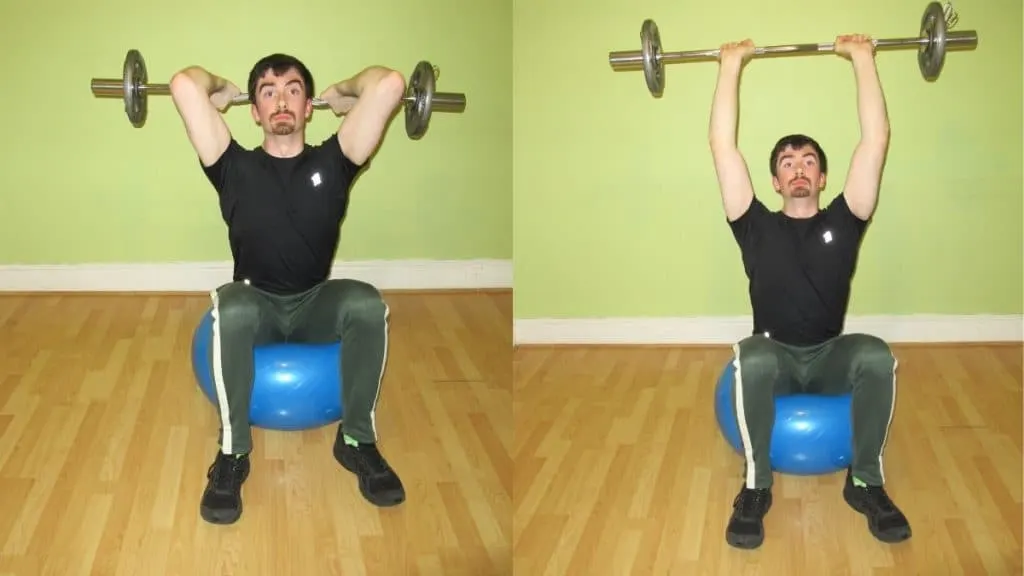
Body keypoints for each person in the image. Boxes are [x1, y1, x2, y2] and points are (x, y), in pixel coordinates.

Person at [168, 53, 409, 525]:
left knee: (366, 304)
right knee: (229, 306)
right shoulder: (231, 164)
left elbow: (391, 83)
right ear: (254, 111)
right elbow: (182, 84)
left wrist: (346, 88)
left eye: (294, 90)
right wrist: (216, 86)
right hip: (254, 301)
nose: (282, 99)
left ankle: (356, 440)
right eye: (269, 91)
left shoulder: (335, 161)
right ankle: (233, 454)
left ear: (307, 108)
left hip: (313, 300)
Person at [707, 35, 911, 549]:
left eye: (808, 161)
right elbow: (722, 146)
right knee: (748, 356)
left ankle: (865, 482)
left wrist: (862, 58)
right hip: (772, 355)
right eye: (787, 162)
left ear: (823, 176)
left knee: (877, 355)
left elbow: (875, 140)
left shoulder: (846, 219)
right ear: (774, 180)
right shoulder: (752, 223)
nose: (798, 168)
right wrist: (730, 65)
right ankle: (756, 489)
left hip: (826, 354)